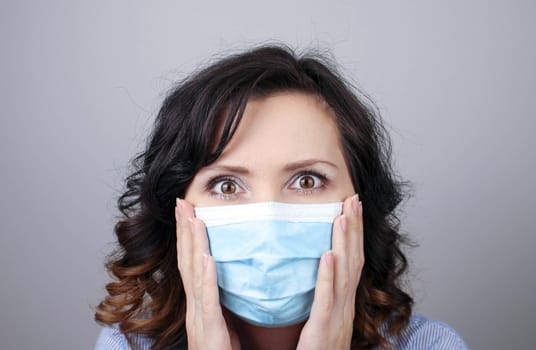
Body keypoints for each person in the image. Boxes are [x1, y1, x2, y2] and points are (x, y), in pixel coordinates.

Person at [94, 44, 469, 350]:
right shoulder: (128, 346)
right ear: (177, 211)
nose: (269, 219)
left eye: (307, 181)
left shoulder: (430, 345)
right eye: (227, 186)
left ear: (360, 201)